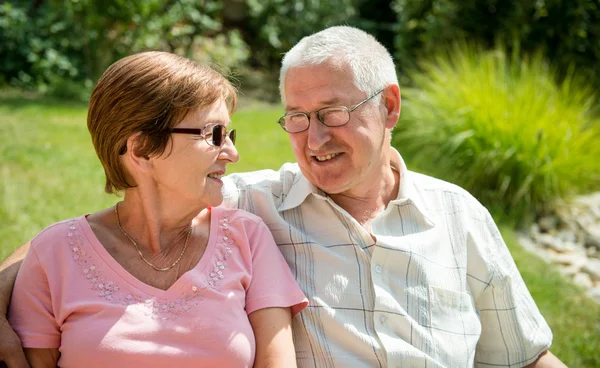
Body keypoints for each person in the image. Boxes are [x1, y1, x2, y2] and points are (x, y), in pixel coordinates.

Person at [0, 26, 566, 367]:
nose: (314, 139)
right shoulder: (246, 203)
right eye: (296, 118)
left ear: (389, 107)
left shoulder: (458, 213)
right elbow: (74, 243)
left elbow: (526, 356)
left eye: (332, 114)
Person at [1, 51, 307, 368]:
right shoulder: (54, 255)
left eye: (229, 135)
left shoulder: (248, 237)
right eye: (213, 134)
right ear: (142, 150)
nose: (232, 153)